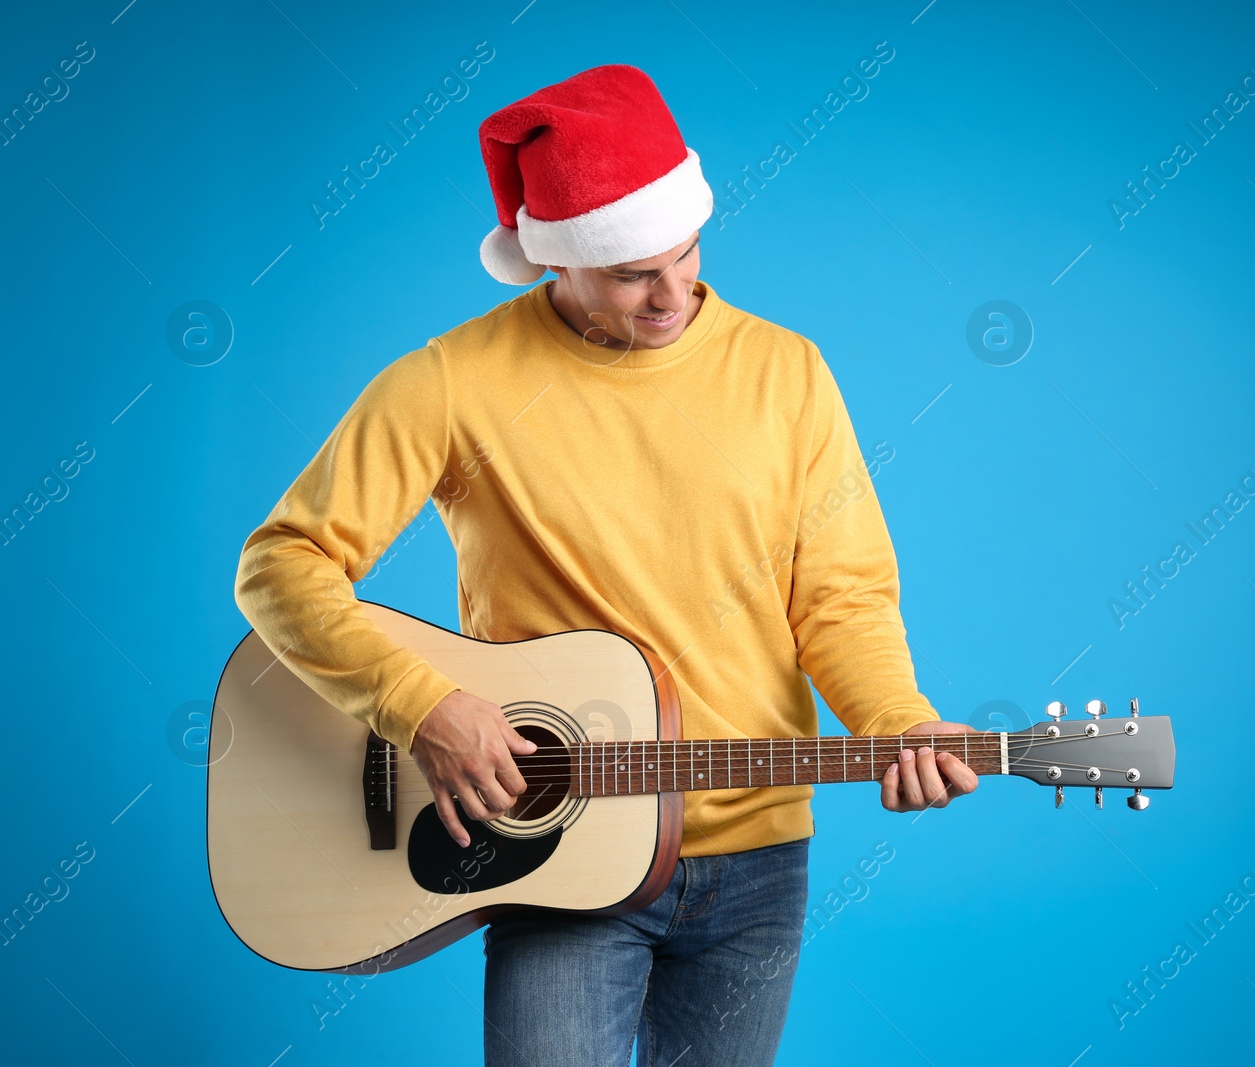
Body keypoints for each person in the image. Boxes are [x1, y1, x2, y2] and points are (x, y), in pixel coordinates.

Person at [233, 63, 976, 1067]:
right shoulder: (450, 383)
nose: (675, 295)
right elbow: (282, 563)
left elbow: (840, 597)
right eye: (632, 274)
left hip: (759, 859)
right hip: (559, 850)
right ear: (555, 262)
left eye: (687, 254)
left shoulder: (787, 372)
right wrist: (418, 703)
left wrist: (896, 719)